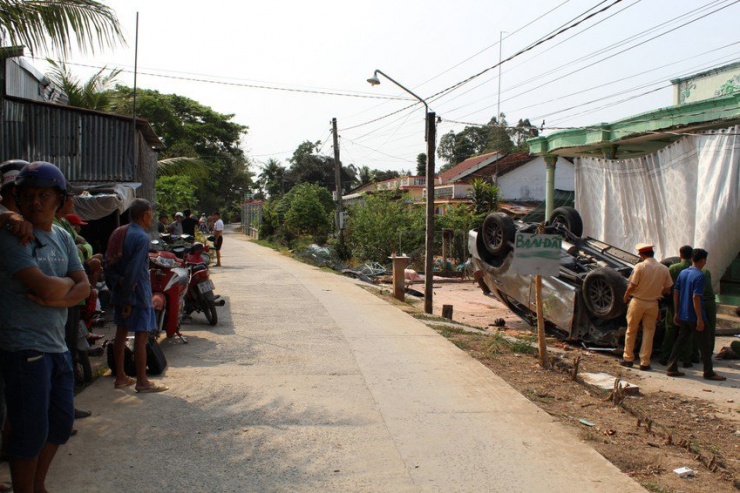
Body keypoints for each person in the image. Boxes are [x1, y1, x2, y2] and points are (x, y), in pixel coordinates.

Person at [0, 162, 90, 493]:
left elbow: (85, 288)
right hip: (24, 347)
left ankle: (38, 486)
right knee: (29, 431)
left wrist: (60, 297)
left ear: (58, 199)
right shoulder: (12, 237)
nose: (35, 201)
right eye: (27, 195)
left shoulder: (63, 236)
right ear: (17, 200)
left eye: (44, 194)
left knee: (61, 424)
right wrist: (65, 290)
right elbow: (50, 288)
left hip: (57, 346)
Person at [108, 198, 168, 393]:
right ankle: (142, 381)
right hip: (137, 293)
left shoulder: (119, 232)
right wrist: (128, 298)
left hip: (119, 291)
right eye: (150, 213)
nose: (151, 217)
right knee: (141, 337)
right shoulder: (141, 237)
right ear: (144, 215)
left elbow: (109, 264)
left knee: (121, 334)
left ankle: (120, 377)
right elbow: (134, 271)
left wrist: (118, 292)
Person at [665, 248, 725, 380]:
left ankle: (671, 366)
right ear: (703, 260)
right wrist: (699, 318)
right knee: (705, 343)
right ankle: (708, 372)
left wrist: (676, 312)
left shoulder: (683, 273)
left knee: (680, 341)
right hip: (694, 315)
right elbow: (696, 297)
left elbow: (676, 292)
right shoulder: (700, 275)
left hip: (683, 314)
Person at [619, 243, 672, 371]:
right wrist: (658, 292)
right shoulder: (663, 269)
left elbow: (632, 285)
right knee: (649, 332)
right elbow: (668, 288)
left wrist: (626, 296)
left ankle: (628, 358)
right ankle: (645, 362)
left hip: (637, 302)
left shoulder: (640, 267)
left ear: (642, 255)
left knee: (631, 330)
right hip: (653, 304)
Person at [659, 245, 695, 367]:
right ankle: (686, 359)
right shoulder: (695, 269)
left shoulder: (673, 268)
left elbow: (666, 286)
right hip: (689, 304)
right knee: (687, 332)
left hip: (673, 303)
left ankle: (665, 356)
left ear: (680, 255)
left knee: (670, 329)